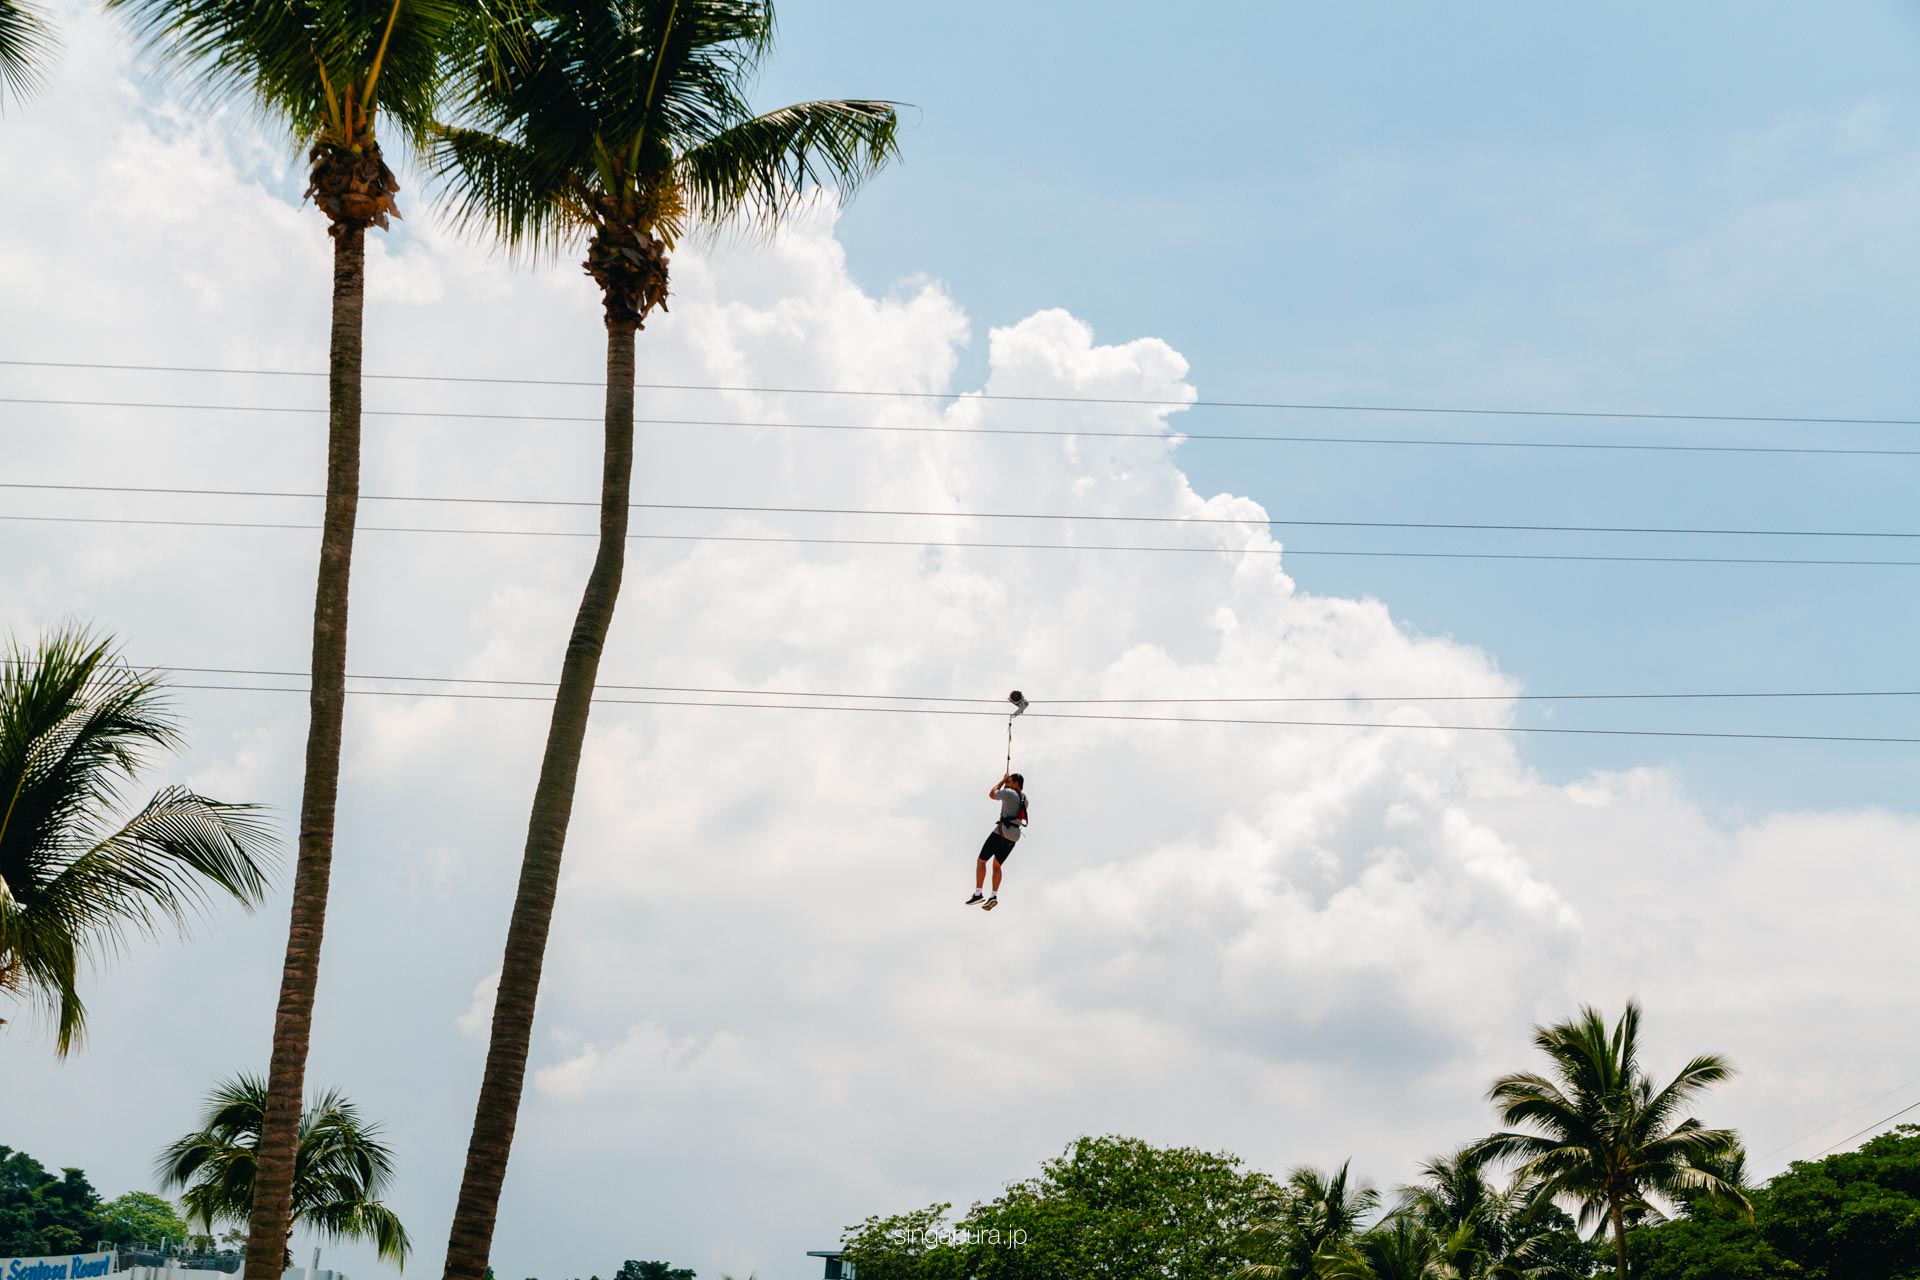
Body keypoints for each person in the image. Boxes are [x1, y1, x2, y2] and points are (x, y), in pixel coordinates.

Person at [966, 771, 1027, 909]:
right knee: (997, 866)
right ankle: (993, 895)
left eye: (1009, 782)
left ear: (1016, 784)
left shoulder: (1009, 793)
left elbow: (992, 794)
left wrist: (1001, 781)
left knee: (981, 860)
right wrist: (1006, 784)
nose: (1007, 784)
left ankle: (978, 893)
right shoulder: (1025, 798)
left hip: (1001, 832)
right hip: (1014, 835)